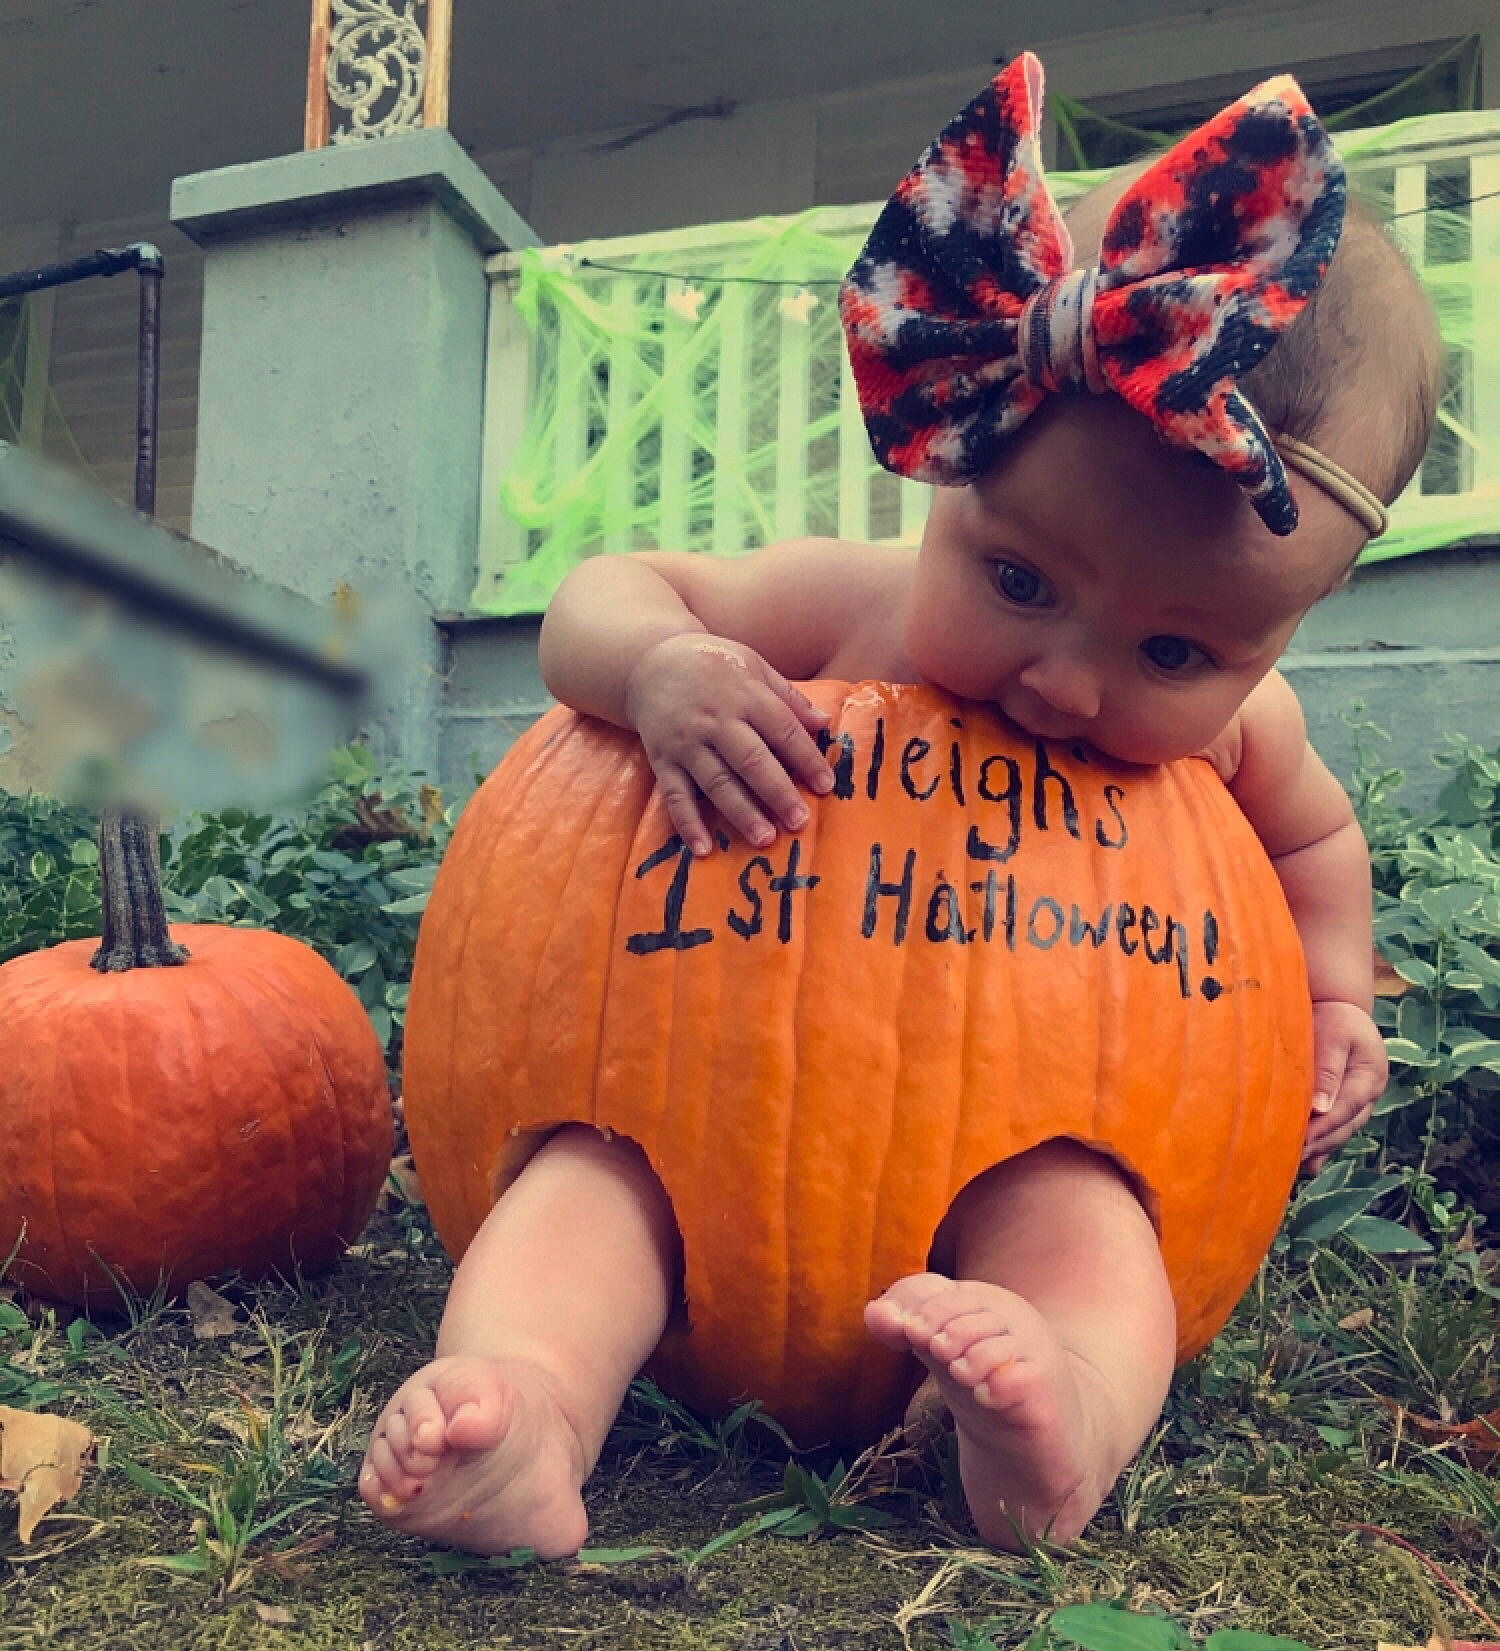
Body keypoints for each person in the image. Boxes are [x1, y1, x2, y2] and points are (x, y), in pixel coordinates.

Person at [360, 56, 1439, 1558]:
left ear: (1280, 637)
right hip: (694, 1106)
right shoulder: (838, 608)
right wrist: (665, 666)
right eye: (1019, 582)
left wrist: (1336, 997)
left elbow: (1317, 839)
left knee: (1102, 1231)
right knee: (583, 1184)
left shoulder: (1245, 738)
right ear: (949, 475)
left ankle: (1053, 1409)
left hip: (1046, 1127)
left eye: (1174, 652)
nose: (1068, 681)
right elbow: (599, 599)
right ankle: (528, 1399)